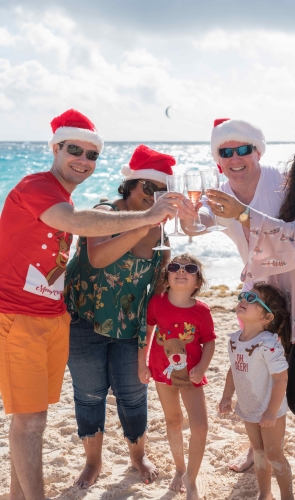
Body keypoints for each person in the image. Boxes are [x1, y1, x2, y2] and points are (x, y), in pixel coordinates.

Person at [0, 109, 183, 500]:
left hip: (54, 316)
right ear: (55, 148)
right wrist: (148, 217)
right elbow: (78, 224)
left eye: (92, 155)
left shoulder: (62, 194)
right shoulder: (38, 187)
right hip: (20, 316)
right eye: (74, 150)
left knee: (33, 420)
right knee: (31, 422)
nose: (83, 160)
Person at [179, 116, 295, 473]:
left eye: (243, 149)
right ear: (217, 159)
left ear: (258, 151)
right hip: (287, 304)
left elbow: (293, 238)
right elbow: (202, 218)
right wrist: (189, 222)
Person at [64, 144, 176, 489]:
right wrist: (143, 225)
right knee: (89, 394)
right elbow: (98, 257)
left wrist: (149, 344)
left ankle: (138, 456)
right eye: (149, 187)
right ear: (130, 185)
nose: (155, 196)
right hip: (83, 319)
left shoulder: (162, 235)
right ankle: (93, 462)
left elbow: (157, 295)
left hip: (129, 327)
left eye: (163, 191)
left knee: (132, 393)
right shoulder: (103, 211)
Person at [140, 253, 216, 500]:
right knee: (173, 420)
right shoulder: (157, 303)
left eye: (189, 268)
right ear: (168, 276)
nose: (181, 271)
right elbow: (147, 335)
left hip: (191, 376)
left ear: (197, 282)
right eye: (175, 267)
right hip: (162, 373)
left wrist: (202, 368)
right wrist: (143, 364)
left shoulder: (202, 311)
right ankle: (180, 469)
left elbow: (209, 342)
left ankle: (191, 478)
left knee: (200, 426)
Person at [219, 283, 293, 500]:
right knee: (259, 453)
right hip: (248, 407)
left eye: (252, 299)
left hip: (271, 409)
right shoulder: (234, 340)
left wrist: (271, 412)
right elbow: (233, 369)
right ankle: (265, 493)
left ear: (267, 317)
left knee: (274, 454)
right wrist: (226, 396)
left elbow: (281, 378)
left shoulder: (268, 344)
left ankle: (287, 496)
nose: (243, 299)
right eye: (244, 296)